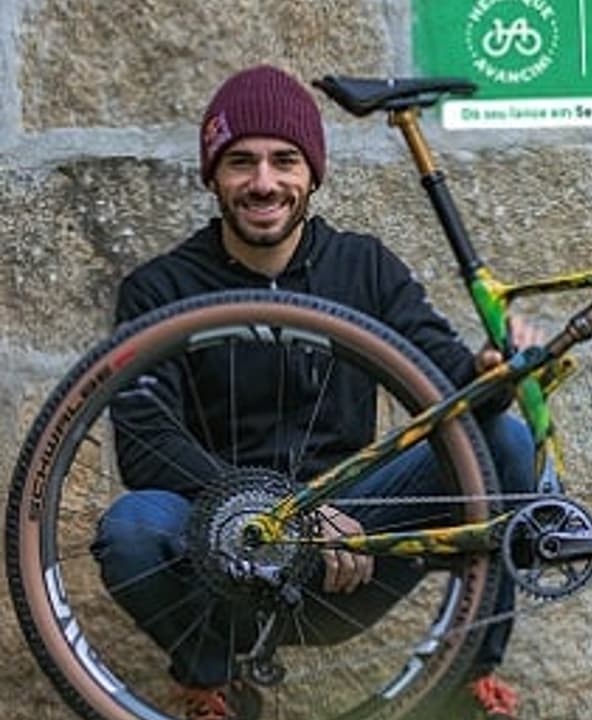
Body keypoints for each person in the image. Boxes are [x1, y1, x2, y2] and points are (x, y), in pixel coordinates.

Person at [90, 65, 530, 720]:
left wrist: (497, 372)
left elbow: (450, 392)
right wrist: (290, 512)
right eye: (241, 162)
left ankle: (467, 682)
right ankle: (212, 686)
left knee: (502, 440)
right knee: (129, 529)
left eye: (284, 160)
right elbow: (147, 446)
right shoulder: (158, 290)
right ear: (213, 173)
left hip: (352, 541)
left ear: (312, 173)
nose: (263, 182)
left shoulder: (364, 267)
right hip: (222, 547)